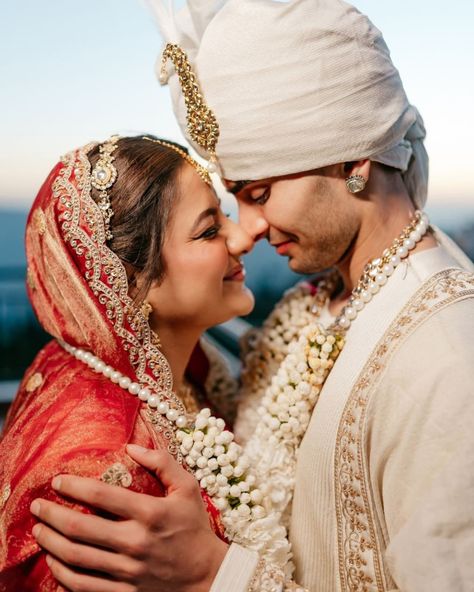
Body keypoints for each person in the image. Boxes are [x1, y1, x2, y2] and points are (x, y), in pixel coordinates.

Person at [27, 1, 474, 591]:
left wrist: (214, 575)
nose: (251, 228)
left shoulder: (448, 358)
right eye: (231, 204)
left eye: (259, 192)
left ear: (353, 159)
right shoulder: (322, 300)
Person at [0, 134, 256, 590]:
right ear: (131, 282)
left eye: (225, 217)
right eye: (209, 229)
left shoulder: (164, 370)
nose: (242, 237)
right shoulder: (108, 472)